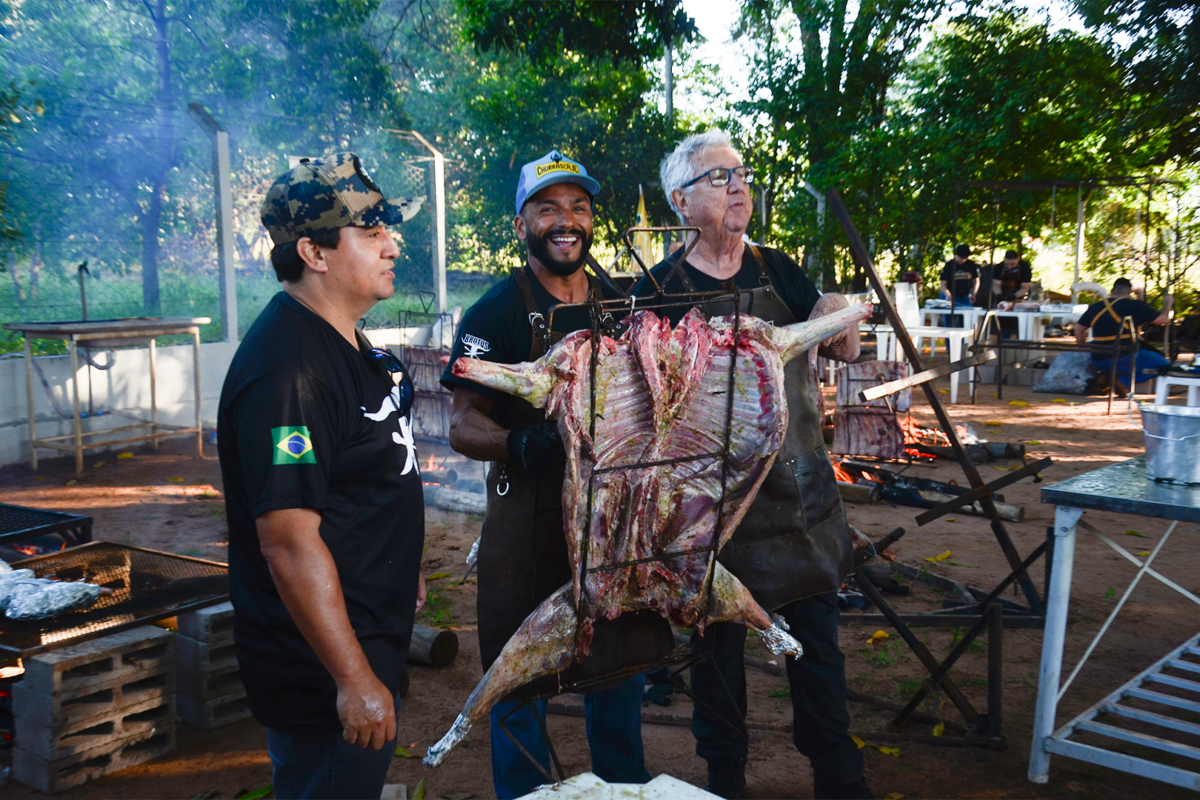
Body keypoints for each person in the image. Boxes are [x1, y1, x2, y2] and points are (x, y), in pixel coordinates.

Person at [634, 129, 871, 800]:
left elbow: (846, 350)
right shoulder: (658, 288)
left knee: (818, 654)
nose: (739, 185)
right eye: (719, 177)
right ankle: (726, 781)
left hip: (798, 505)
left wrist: (833, 311)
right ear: (682, 201)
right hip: (712, 512)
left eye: (741, 173)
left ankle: (839, 779)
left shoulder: (780, 268)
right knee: (715, 660)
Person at [439, 150, 651, 799]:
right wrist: (518, 444)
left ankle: (624, 789)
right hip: (526, 535)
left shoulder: (621, 304)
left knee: (619, 673)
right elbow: (461, 422)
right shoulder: (493, 314)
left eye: (579, 208)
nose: (567, 221)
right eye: (549, 208)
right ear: (520, 223)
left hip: (610, 533)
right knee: (520, 682)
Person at [218, 153, 427, 800]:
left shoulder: (349, 342)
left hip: (367, 636)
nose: (394, 245)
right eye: (371, 233)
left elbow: (363, 478)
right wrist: (355, 680)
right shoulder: (290, 374)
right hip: (321, 672)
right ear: (314, 252)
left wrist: (402, 561)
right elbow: (287, 541)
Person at [1074, 277, 1172, 392]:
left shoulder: (1095, 307)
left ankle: (1105, 377)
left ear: (1112, 291)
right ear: (1129, 293)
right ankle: (1123, 382)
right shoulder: (1135, 305)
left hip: (1098, 359)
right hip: (1124, 357)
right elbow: (1162, 320)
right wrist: (1167, 303)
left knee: (1117, 356)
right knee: (1164, 365)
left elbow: (1078, 330)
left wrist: (1083, 347)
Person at [939, 244, 979, 325]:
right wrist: (947, 294)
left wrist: (973, 294)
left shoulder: (971, 265)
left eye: (964, 258)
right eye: (960, 257)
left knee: (966, 320)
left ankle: (965, 337)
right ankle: (948, 337)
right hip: (951, 295)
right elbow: (943, 283)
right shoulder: (949, 265)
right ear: (956, 255)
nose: (962, 260)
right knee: (949, 320)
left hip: (964, 296)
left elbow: (976, 281)